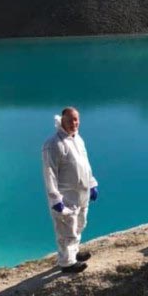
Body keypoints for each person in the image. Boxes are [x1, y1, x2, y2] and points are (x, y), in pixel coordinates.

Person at [42, 107, 99, 273]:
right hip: (66, 196)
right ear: (62, 120)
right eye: (70, 120)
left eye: (76, 119)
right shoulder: (53, 144)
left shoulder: (78, 140)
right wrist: (55, 199)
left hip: (81, 193)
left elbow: (85, 165)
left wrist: (92, 183)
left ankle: (74, 253)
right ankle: (66, 263)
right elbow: (49, 173)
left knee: (79, 224)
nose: (74, 123)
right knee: (67, 229)